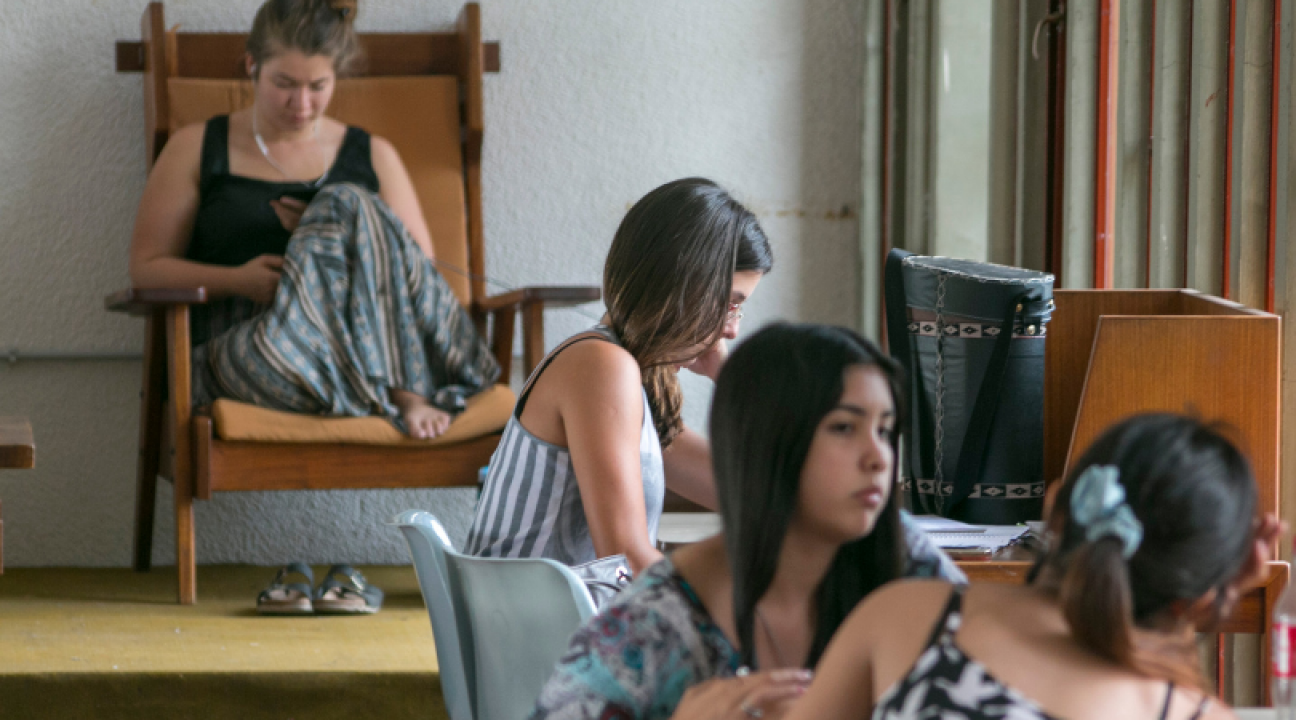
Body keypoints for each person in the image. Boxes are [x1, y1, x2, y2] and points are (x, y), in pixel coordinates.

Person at [527, 323, 965, 720]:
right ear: (770, 444)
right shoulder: (651, 627)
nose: (877, 458)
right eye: (844, 429)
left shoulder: (904, 555)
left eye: (885, 431)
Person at [129, 0, 497, 440]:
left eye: (318, 86)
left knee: (344, 202)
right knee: (269, 347)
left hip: (352, 346)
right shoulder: (197, 146)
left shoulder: (373, 153)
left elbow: (417, 272)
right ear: (252, 66)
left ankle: (395, 389)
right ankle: (386, 392)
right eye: (284, 83)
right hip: (255, 351)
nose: (301, 104)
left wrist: (323, 233)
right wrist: (236, 280)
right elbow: (145, 267)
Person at [788, 413, 1283, 720]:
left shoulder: (912, 618)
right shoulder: (1189, 713)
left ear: (1056, 507)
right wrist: (1208, 604)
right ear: (1196, 594)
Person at [464, 177, 773, 577]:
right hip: (537, 632)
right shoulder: (600, 366)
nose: (732, 330)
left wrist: (731, 379)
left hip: (545, 622)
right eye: (730, 304)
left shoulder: (631, 376)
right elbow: (625, 558)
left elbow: (760, 498)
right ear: (685, 285)